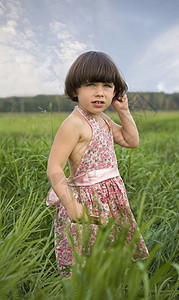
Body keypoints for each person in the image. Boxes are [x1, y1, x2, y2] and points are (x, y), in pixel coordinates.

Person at [46, 51, 149, 275]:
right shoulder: (75, 123)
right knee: (87, 264)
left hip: (110, 200)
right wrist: (71, 205)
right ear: (75, 90)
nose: (100, 92)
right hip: (87, 202)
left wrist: (124, 111)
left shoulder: (102, 119)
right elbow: (54, 167)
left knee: (111, 260)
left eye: (107, 86)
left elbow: (131, 141)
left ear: (115, 91)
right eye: (91, 84)